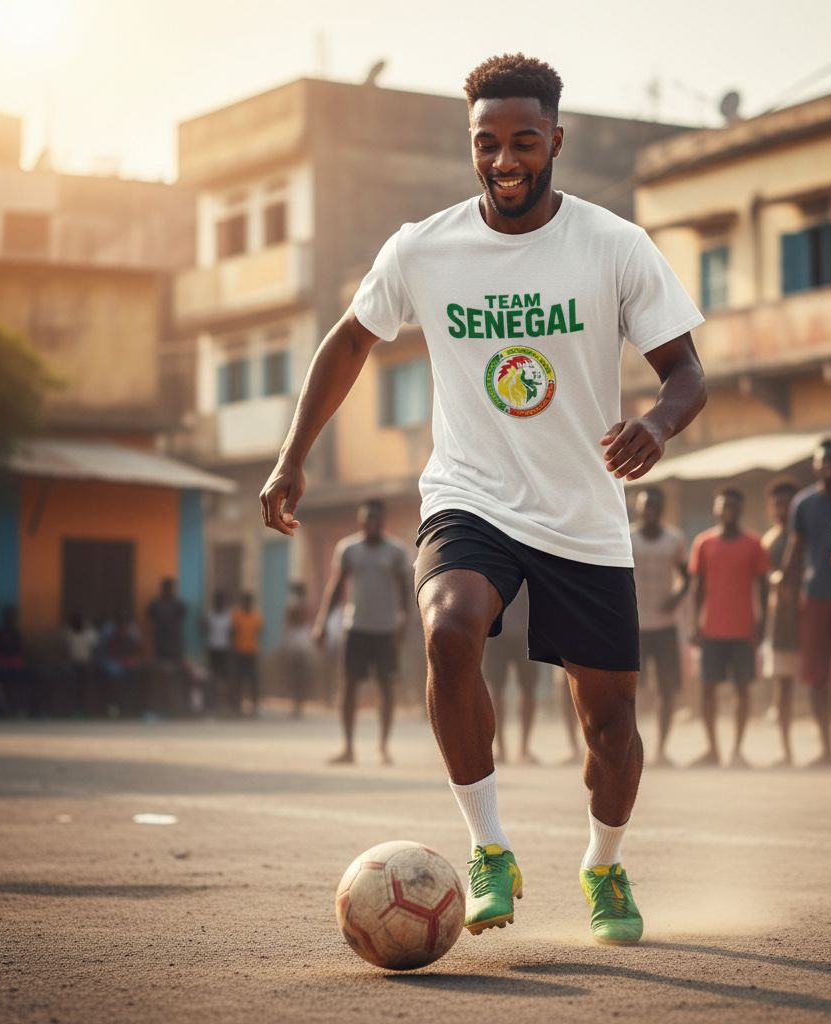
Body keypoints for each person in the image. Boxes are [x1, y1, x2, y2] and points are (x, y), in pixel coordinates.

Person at [260, 53, 706, 945]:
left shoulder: (614, 245)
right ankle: (489, 847)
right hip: (471, 494)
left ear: (557, 142)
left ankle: (603, 864)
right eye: (488, 143)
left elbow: (687, 372)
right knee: (449, 629)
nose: (506, 160)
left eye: (525, 142)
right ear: (471, 145)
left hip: (583, 511)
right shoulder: (422, 247)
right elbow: (349, 342)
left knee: (610, 726)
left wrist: (656, 426)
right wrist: (292, 457)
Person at [782, 439, 831, 767]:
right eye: (822, 459)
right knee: (818, 678)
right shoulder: (803, 503)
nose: (828, 463)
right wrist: (784, 584)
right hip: (814, 597)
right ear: (815, 465)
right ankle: (827, 748)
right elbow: (796, 549)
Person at [315, 500, 409, 765]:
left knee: (386, 688)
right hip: (355, 628)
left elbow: (405, 591)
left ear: (384, 520)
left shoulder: (396, 552)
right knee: (349, 686)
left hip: (386, 630)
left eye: (376, 519)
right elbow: (336, 588)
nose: (372, 523)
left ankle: (383, 746)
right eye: (367, 519)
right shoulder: (348, 549)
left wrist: (403, 624)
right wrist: (322, 623)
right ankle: (347, 747)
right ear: (360, 520)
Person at [689, 488, 770, 768]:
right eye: (723, 507)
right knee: (707, 689)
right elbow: (697, 587)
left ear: (740, 509)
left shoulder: (754, 544)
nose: (728, 512)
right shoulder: (704, 543)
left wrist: (762, 625)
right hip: (711, 630)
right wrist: (694, 624)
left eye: (733, 507)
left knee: (742, 690)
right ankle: (712, 749)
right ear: (716, 509)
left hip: (743, 631)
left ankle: (737, 750)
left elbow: (763, 587)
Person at [631, 487, 689, 765]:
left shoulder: (674, 539)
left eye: (655, 506)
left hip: (665, 626)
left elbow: (687, 577)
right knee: (631, 691)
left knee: (667, 689)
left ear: (662, 509)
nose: (649, 511)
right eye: (645, 506)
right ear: (639, 509)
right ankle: (632, 746)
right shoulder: (627, 538)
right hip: (635, 627)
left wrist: (676, 597)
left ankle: (662, 749)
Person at [762, 479, 800, 766]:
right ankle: (786, 751)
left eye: (788, 504)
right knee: (782, 689)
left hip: (808, 618)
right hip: (781, 626)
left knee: (819, 685)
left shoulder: (804, 538)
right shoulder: (769, 542)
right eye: (778, 504)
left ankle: (828, 749)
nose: (782, 509)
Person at [482, 588, 538, 764]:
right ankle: (500, 748)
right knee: (496, 689)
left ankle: (524, 748)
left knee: (528, 689)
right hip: (497, 629)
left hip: (528, 630)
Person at [146, 578, 186, 714]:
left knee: (175, 678)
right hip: (160, 646)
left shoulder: (178, 605)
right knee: (160, 677)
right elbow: (150, 615)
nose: (168, 590)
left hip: (175, 648)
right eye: (166, 587)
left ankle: (176, 708)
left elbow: (183, 612)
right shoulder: (155, 605)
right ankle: (160, 706)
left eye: (170, 588)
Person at [0, 606, 32, 716]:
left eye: (13, 617)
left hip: (15, 666)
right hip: (1, 667)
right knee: (5, 682)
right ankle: (6, 711)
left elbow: (20, 653)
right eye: (9, 617)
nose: (11, 620)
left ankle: (21, 709)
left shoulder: (16, 634)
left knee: (24, 680)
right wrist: (1, 664)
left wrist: (18, 663)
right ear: (5, 619)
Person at [283, 582, 314, 718]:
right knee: (295, 674)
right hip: (298, 639)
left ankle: (299, 703)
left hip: (301, 640)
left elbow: (294, 620)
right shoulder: (293, 605)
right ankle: (296, 703)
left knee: (300, 674)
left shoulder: (300, 605)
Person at [231, 593, 263, 716]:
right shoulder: (236, 615)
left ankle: (254, 705)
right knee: (239, 679)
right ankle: (237, 705)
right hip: (239, 652)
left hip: (252, 652)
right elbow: (232, 632)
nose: (247, 604)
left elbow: (259, 632)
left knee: (253, 680)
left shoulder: (256, 615)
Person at [203, 591, 234, 714]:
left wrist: (231, 648)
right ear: (214, 601)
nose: (220, 602)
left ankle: (225, 702)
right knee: (212, 677)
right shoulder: (210, 615)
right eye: (217, 600)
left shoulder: (228, 615)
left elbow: (232, 632)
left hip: (225, 649)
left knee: (225, 677)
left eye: (222, 600)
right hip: (212, 649)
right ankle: (212, 702)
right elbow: (204, 630)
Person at [64, 611, 99, 716]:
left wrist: (92, 663)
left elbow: (95, 649)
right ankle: (74, 710)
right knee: (74, 689)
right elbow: (64, 649)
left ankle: (88, 711)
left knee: (87, 689)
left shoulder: (90, 633)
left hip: (87, 664)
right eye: (76, 621)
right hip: (73, 664)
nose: (79, 623)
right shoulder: (68, 632)